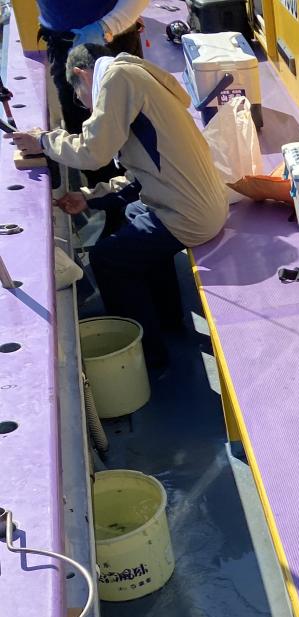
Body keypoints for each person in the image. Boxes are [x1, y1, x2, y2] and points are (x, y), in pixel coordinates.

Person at [15, 45, 228, 368]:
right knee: (133, 213)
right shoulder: (139, 76)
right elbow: (139, 177)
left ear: (81, 75)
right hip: (205, 203)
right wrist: (89, 196)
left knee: (108, 259)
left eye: (80, 98)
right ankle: (167, 318)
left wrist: (44, 141)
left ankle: (148, 358)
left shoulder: (117, 79)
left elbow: (92, 152)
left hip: (189, 214)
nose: (87, 107)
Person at [37, 1, 147, 181]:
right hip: (60, 42)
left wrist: (108, 26)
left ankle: (133, 191)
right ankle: (101, 192)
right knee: (82, 128)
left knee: (131, 134)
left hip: (111, 41)